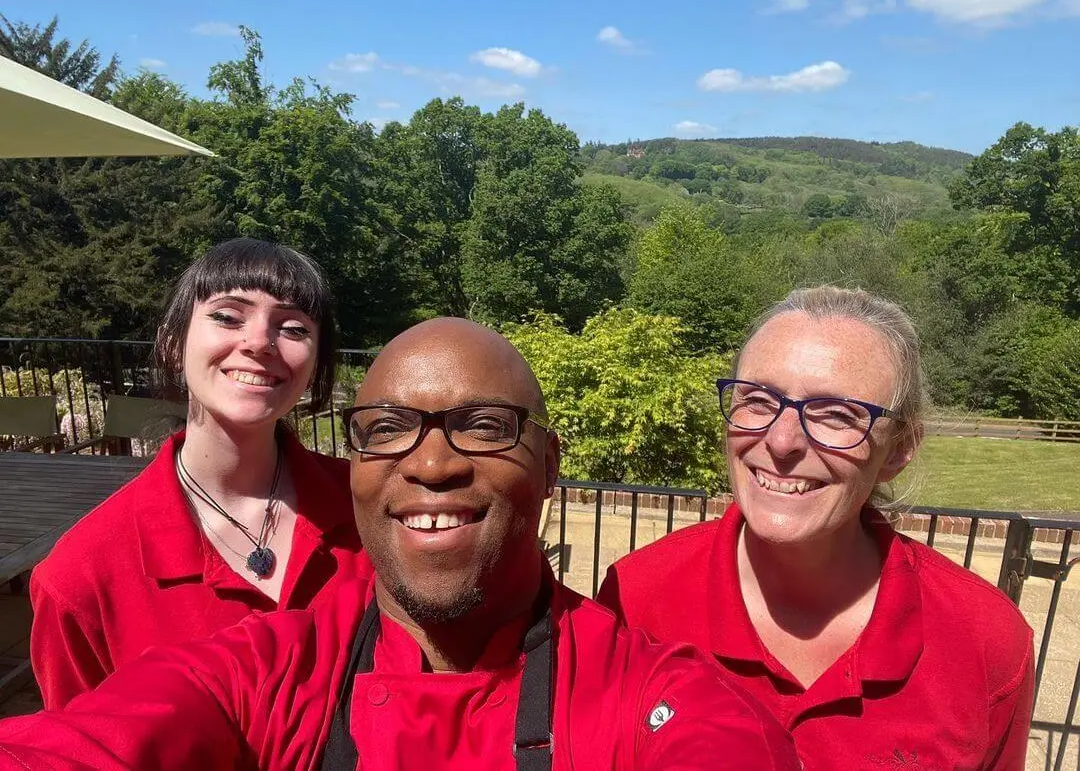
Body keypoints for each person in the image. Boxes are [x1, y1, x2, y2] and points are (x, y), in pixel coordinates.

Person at [0, 318, 800, 771]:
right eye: (386, 431)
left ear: (550, 466)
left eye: (485, 426)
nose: (430, 462)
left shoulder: (647, 697)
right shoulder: (266, 674)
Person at [597, 286, 1035, 770]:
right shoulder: (636, 598)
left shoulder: (984, 640)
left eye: (836, 414)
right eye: (759, 401)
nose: (782, 441)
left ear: (899, 449)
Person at [30, 238, 369, 709]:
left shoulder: (373, 509)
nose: (258, 343)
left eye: (292, 328)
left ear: (315, 365)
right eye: (228, 316)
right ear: (173, 343)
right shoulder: (81, 578)